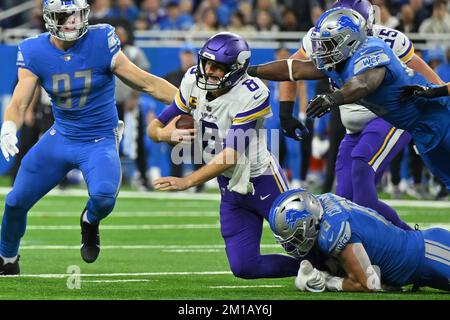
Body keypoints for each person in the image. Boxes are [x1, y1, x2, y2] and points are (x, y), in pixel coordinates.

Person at [0, 0, 177, 275]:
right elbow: (21, 100)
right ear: (50, 19)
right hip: (61, 136)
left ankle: (89, 220)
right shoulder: (35, 49)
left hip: (99, 138)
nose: (71, 21)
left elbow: (145, 82)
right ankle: (7, 259)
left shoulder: (100, 39)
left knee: (104, 197)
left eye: (76, 14)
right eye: (64, 15)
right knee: (14, 202)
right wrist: (9, 125)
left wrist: (189, 102)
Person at [148, 32, 320, 279]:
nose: (208, 70)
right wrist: (164, 135)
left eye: (217, 66)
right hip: (229, 186)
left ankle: (343, 269)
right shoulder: (192, 80)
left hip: (262, 179)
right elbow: (155, 125)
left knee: (305, 244)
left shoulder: (252, 92)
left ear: (236, 69)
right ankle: (312, 271)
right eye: (207, 63)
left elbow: (230, 155)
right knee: (244, 267)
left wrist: (187, 181)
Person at [247, 7, 450, 190]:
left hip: (440, 120)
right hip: (422, 133)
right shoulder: (338, 59)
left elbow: (364, 82)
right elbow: (294, 69)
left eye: (327, 45)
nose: (320, 51)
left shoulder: (373, 49)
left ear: (348, 40)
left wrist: (333, 99)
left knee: (362, 172)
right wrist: (249, 70)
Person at [268, 189, 450, 292]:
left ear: (310, 222)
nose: (291, 245)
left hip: (429, 252)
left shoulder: (333, 231)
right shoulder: (323, 203)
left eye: (297, 236)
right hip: (419, 270)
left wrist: (327, 281)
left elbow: (369, 284)